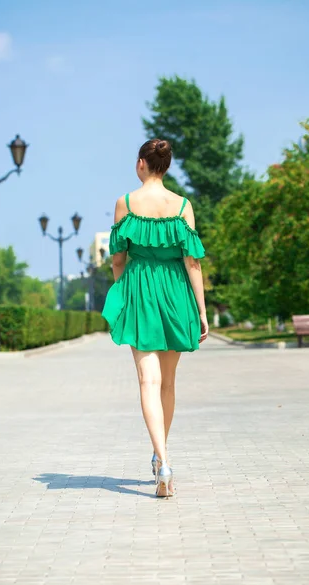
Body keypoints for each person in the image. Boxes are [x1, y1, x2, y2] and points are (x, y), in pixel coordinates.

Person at [102, 139, 208, 497]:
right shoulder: (182, 205)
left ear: (141, 164)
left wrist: (124, 291)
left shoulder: (125, 203)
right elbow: (192, 262)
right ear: (165, 166)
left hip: (141, 290)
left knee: (148, 381)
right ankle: (160, 452)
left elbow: (118, 259)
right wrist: (202, 310)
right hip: (176, 292)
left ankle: (163, 462)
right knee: (167, 383)